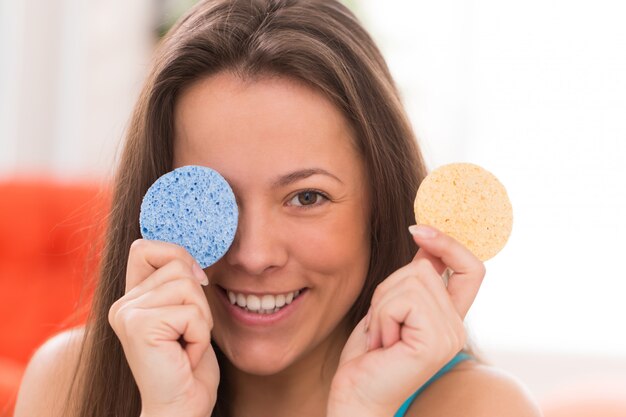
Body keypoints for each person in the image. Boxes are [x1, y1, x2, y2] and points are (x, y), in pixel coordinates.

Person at [14, 0, 541, 416]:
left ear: (380, 207)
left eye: (306, 197)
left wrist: (363, 410)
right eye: (211, 199)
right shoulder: (68, 386)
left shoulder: (483, 409)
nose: (254, 253)